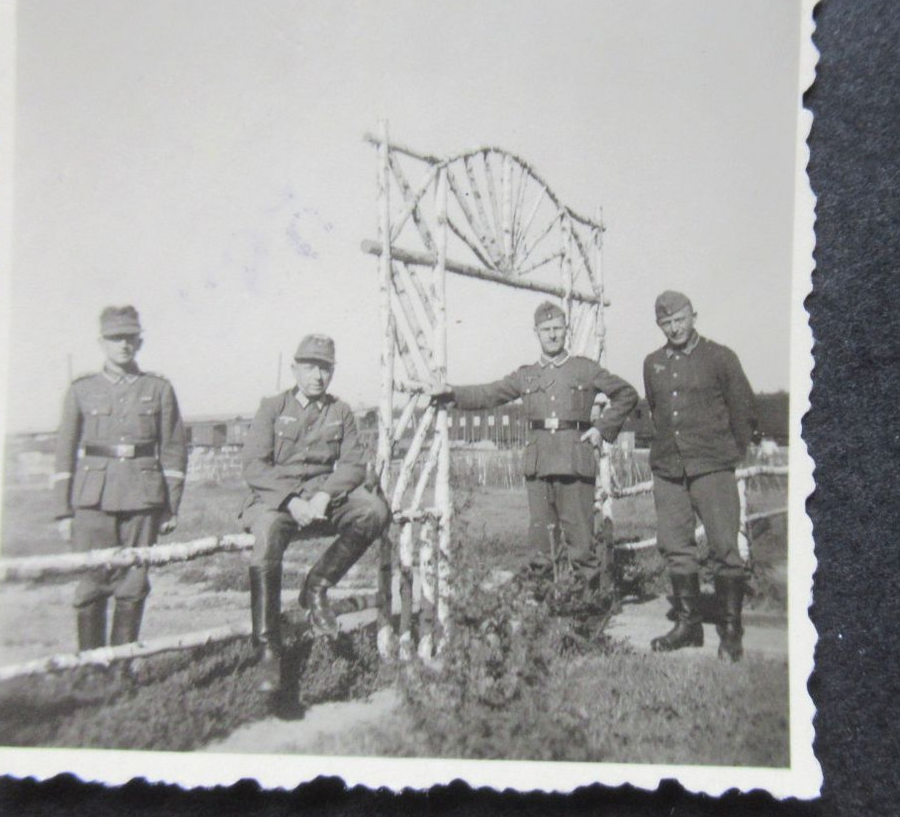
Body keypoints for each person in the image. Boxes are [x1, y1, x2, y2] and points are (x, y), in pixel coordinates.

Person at [431, 301, 638, 592]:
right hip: (539, 463)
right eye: (546, 330)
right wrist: (453, 393)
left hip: (574, 459)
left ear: (566, 330)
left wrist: (601, 429)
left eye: (557, 329)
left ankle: (587, 606)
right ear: (536, 333)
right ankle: (543, 607)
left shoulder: (585, 369)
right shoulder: (526, 375)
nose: (553, 335)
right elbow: (490, 393)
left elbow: (627, 394)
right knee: (540, 538)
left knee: (580, 537)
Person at [239, 334, 391, 692]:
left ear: (332, 372)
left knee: (373, 510)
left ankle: (317, 585)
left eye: (324, 368)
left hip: (323, 499)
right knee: (266, 536)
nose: (317, 376)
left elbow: (353, 463)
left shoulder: (340, 411)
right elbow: (254, 466)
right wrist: (292, 501)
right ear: (295, 369)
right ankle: (266, 650)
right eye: (309, 367)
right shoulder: (273, 407)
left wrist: (324, 495)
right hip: (277, 500)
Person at [53, 305, 187, 651]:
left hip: (143, 497)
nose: (123, 345)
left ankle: (122, 665)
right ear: (101, 342)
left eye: (130, 337)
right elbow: (64, 451)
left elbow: (173, 449)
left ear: (139, 341)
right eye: (115, 338)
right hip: (92, 498)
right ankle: (91, 669)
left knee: (134, 581)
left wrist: (171, 507)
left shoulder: (158, 389)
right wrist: (62, 511)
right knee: (91, 582)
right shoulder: (81, 389)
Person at [642, 290, 757, 661]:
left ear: (694, 316)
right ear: (659, 325)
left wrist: (730, 454)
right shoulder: (653, 363)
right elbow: (659, 412)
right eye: (666, 323)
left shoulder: (720, 357)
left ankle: (730, 630)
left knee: (725, 548)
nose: (674, 328)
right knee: (677, 548)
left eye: (680, 320)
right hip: (669, 469)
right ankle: (688, 626)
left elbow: (743, 409)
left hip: (712, 466)